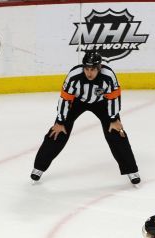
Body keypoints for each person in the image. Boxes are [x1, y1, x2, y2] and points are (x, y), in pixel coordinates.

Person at [31, 51, 140, 185]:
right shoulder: (74, 76)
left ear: (99, 68)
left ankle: (131, 170)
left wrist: (113, 119)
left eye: (93, 69)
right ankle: (39, 167)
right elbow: (65, 99)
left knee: (116, 133)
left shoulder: (108, 76)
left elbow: (114, 97)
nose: (89, 73)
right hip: (77, 102)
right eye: (87, 69)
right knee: (57, 132)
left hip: (102, 103)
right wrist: (60, 121)